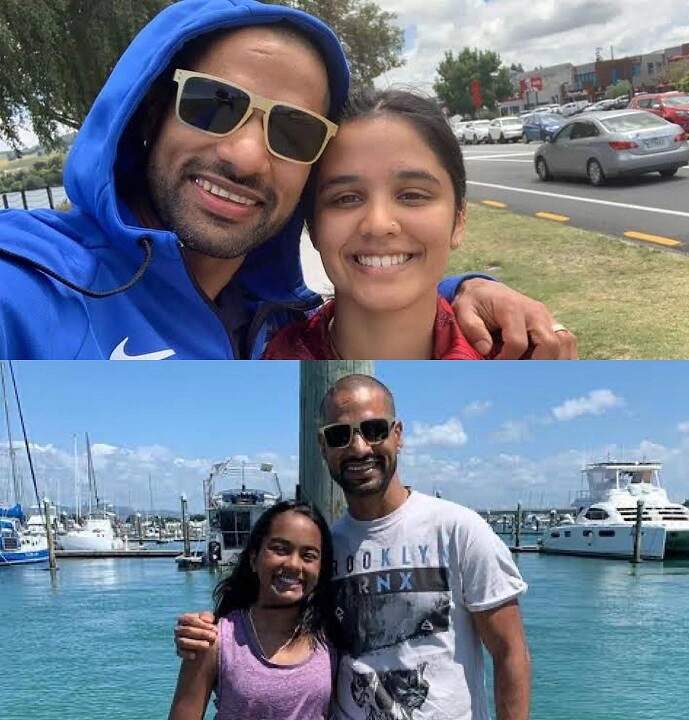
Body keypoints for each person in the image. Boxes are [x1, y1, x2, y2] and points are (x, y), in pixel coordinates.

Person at [0, 0, 575, 359]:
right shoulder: (27, 289)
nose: (247, 157)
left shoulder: (276, 322)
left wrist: (462, 289)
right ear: (151, 113)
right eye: (214, 104)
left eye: (293, 132)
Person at [176, 374, 531, 720]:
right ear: (323, 446)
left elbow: (510, 652)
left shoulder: (460, 530)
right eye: (340, 435)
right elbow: (275, 626)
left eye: (374, 430)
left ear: (398, 434)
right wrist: (208, 635)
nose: (359, 447)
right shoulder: (326, 548)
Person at [263, 89, 485, 359]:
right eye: (346, 198)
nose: (379, 224)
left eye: (412, 195)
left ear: (459, 219)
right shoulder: (262, 358)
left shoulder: (519, 355)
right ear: (313, 227)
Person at [169, 500, 338, 719]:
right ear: (253, 558)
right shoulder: (213, 640)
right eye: (280, 549)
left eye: (308, 556)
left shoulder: (330, 637)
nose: (294, 565)